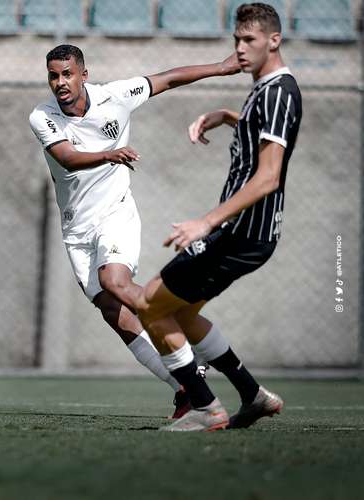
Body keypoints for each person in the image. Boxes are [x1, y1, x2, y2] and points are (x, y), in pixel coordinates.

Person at [28, 45, 239, 417]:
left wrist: (221, 68)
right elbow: (67, 158)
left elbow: (169, 78)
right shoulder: (42, 116)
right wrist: (109, 154)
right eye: (53, 75)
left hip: (115, 213)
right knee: (113, 311)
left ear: (83, 75)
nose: (60, 83)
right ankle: (187, 387)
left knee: (115, 281)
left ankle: (185, 324)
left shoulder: (116, 95)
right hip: (77, 228)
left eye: (67, 74)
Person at [134, 3, 302, 431]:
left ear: (274, 40)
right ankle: (253, 396)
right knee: (185, 314)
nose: (241, 49)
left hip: (240, 234)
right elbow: (259, 133)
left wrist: (206, 222)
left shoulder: (280, 91)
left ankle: (205, 408)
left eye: (250, 40)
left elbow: (268, 178)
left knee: (150, 305)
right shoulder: (264, 91)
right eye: (237, 40)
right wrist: (225, 117)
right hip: (243, 235)